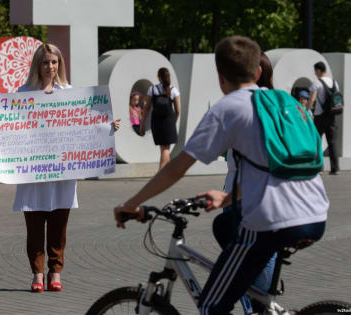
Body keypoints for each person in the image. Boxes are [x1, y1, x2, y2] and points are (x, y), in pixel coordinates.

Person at [114, 36, 329, 315]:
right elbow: (273, 168)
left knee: (212, 306)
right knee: (224, 226)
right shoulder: (284, 103)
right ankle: (257, 299)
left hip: (273, 222)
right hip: (315, 214)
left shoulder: (227, 109)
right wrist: (228, 197)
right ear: (259, 71)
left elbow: (177, 167)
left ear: (219, 76)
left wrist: (131, 203)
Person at [0, 43, 120, 293]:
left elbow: (84, 125)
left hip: (62, 173)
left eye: (54, 62)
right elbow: (11, 125)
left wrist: (107, 126)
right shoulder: (23, 93)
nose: (50, 67)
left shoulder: (70, 93)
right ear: (38, 64)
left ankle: (55, 272)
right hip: (33, 174)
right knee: (34, 226)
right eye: (45, 62)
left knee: (59, 225)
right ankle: (37, 273)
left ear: (60, 64)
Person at [219, 51, 276, 315]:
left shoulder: (246, 111)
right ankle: (262, 300)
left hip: (243, 201)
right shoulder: (277, 106)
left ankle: (259, 303)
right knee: (262, 257)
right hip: (274, 202)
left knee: (238, 270)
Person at [140, 68, 180, 170]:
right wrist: (173, 122)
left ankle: (164, 172)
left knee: (163, 148)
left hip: (156, 121)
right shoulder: (173, 90)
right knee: (166, 148)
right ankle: (162, 172)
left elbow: (147, 108)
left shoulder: (152, 89)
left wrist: (142, 124)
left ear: (159, 77)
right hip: (169, 121)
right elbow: (178, 110)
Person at [306, 61, 341, 175]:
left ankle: (319, 167)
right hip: (332, 116)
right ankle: (335, 168)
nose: (315, 73)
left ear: (318, 70)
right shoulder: (335, 83)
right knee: (332, 142)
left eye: (315, 71)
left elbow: (312, 99)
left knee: (317, 141)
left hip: (320, 116)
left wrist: (306, 110)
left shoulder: (316, 83)